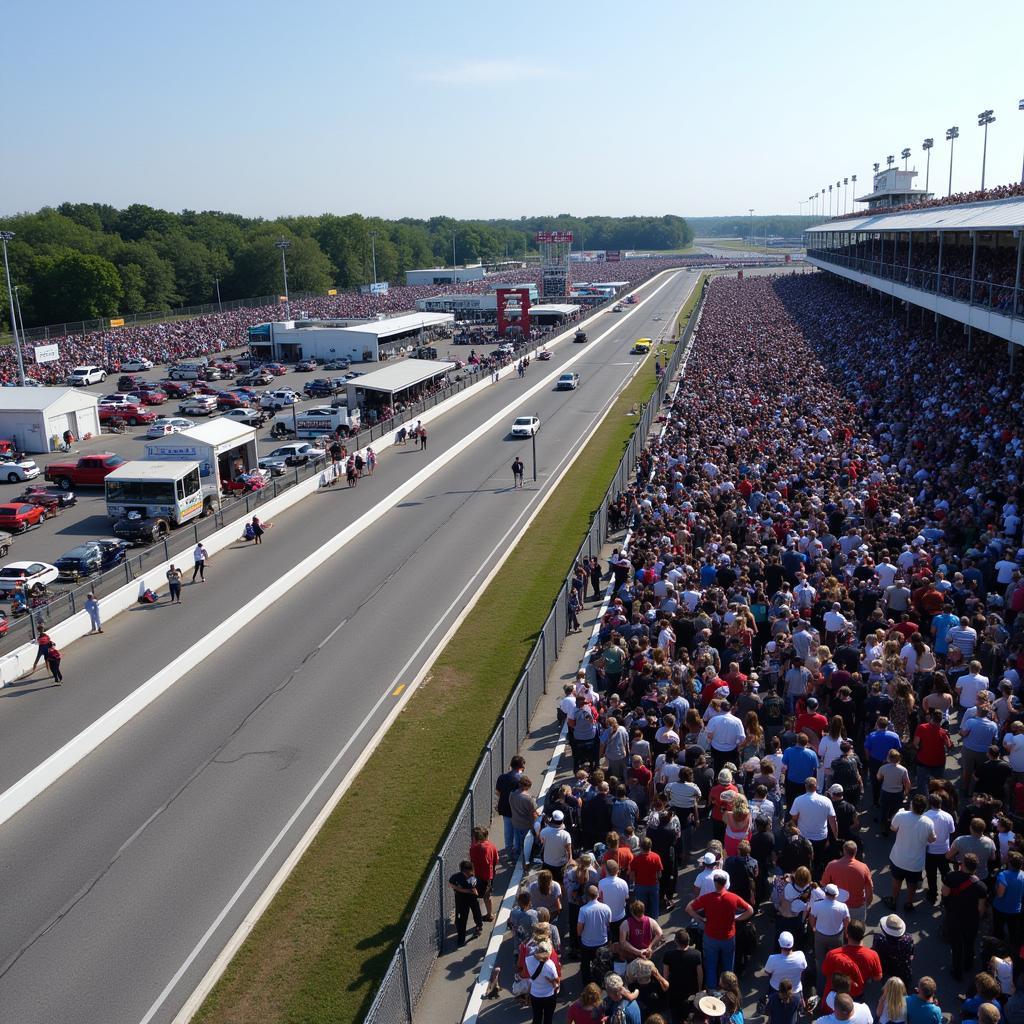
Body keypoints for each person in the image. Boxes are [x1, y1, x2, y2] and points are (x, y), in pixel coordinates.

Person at [685, 872, 753, 988]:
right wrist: (737, 919)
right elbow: (750, 910)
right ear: (725, 883)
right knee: (728, 966)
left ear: (715, 883)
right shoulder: (733, 898)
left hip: (711, 937)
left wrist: (701, 919)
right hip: (728, 938)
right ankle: (728, 990)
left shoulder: (706, 898)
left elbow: (688, 908)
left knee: (711, 966)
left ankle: (712, 992)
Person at [886, 793, 935, 912]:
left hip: (898, 858)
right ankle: (909, 904)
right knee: (912, 884)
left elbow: (893, 828)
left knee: (896, 881)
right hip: (915, 862)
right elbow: (932, 839)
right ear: (925, 808)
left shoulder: (901, 815)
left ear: (912, 805)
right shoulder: (928, 822)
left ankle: (894, 900)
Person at [663, 929, 703, 1024]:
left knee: (676, 1017)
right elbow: (700, 974)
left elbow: (665, 975)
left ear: (675, 941)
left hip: (674, 992)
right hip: (691, 991)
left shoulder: (668, 955)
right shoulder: (696, 954)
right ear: (688, 941)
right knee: (690, 1016)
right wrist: (699, 989)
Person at [576, 884, 613, 987]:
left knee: (585, 964)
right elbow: (608, 925)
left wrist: (580, 937)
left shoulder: (583, 910)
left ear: (587, 896)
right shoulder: (606, 908)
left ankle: (587, 984)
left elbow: (579, 928)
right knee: (602, 963)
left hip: (587, 943)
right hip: (602, 942)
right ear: (598, 895)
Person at [524, 940, 560, 1024]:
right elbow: (557, 980)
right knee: (548, 1018)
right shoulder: (550, 965)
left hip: (535, 994)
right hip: (549, 995)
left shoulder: (528, 960)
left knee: (537, 1017)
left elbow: (528, 945)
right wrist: (551, 981)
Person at [448, 859, 482, 947]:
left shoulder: (473, 878)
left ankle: (479, 926)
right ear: (463, 871)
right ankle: (461, 938)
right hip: (461, 901)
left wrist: (468, 890)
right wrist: (463, 890)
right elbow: (451, 884)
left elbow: (474, 890)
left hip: (472, 899)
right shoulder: (456, 877)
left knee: (476, 912)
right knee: (462, 920)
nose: (470, 873)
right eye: (468, 872)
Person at [873, 914, 914, 988]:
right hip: (902, 966)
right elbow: (911, 953)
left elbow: (875, 952)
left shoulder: (879, 940)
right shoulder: (908, 938)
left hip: (886, 965)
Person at [764, 930, 808, 996]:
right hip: (795, 991)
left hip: (775, 990)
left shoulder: (772, 958)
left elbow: (767, 972)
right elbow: (804, 968)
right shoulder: (801, 955)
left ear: (780, 944)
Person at [469, 825, 499, 921]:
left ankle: (478, 919)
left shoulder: (474, 848)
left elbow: (472, 862)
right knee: (487, 896)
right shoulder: (491, 845)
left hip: (478, 876)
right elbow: (496, 859)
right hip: (490, 876)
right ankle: (489, 914)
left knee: (473, 896)